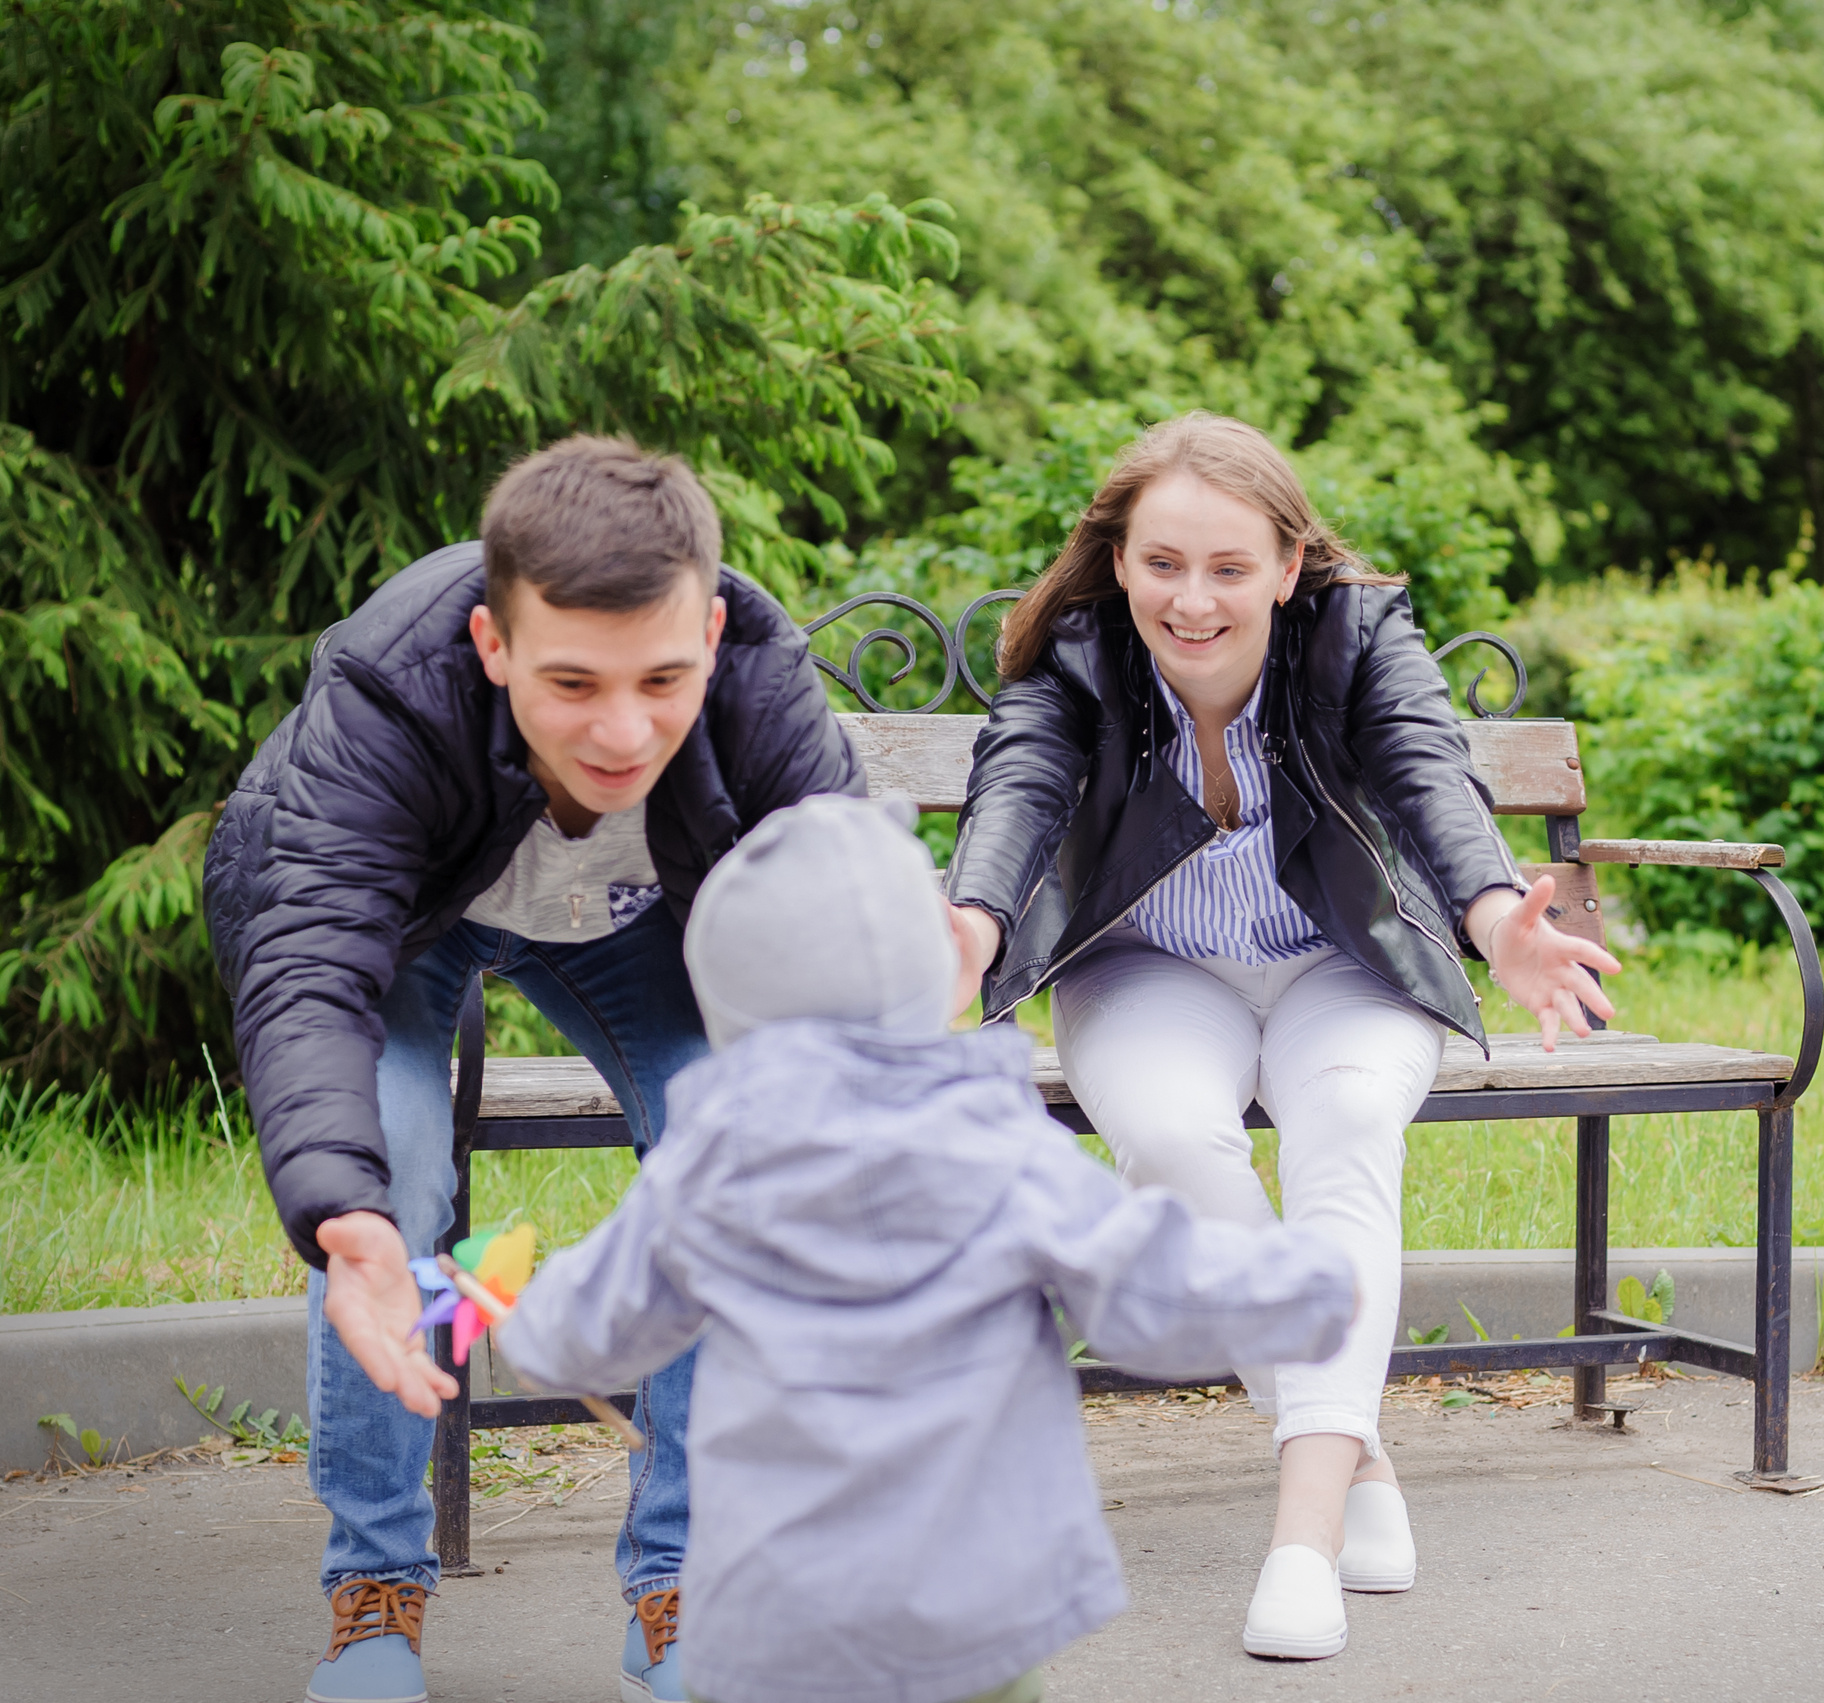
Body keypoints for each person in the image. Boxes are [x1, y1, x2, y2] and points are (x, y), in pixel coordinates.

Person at [942, 412, 1621, 1661]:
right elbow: (1019, 784)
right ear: (1120, 556)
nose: (1191, 600)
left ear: (1288, 564)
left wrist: (1492, 918)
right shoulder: (1078, 652)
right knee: (1168, 1144)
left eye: (1227, 568)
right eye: (1161, 564)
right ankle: (1354, 1450)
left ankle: (1301, 1539)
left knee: (1349, 1122)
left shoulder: (1359, 633)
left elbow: (1428, 773)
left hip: (1344, 960)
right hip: (1151, 966)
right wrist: (973, 918)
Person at [204, 437, 866, 1703]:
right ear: (493, 642)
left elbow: (843, 929)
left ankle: (682, 1577)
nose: (623, 732)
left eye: (663, 678)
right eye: (571, 681)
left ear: (713, 634)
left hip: (630, 922)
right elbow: (311, 962)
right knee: (382, 1192)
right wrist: (348, 1225)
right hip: (412, 922)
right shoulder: (391, 684)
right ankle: (372, 1591)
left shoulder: (761, 685)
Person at [496, 794, 1361, 1703]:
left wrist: (529, 1324)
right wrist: (1294, 1290)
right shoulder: (1000, 1145)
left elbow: (592, 1325)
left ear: (719, 991)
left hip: (772, 1606)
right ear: (941, 968)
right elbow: (1147, 1281)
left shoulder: (707, 1164)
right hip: (970, 1602)